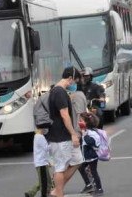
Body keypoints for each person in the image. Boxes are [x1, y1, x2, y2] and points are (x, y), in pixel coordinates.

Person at [46, 67, 84, 197]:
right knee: (60, 167)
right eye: (74, 82)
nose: (73, 85)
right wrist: (74, 134)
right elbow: (64, 115)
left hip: (64, 135)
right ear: (70, 78)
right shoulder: (59, 92)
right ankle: (58, 192)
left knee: (78, 160)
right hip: (60, 136)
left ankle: (57, 189)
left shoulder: (59, 91)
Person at [78, 115, 104, 196]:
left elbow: (92, 142)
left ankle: (99, 188)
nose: (79, 122)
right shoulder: (87, 131)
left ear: (86, 122)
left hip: (92, 156)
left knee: (93, 172)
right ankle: (89, 185)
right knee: (81, 167)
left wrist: (85, 135)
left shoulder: (91, 132)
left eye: (81, 120)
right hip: (87, 156)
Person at [24, 128, 53, 197]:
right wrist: (53, 144)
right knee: (44, 182)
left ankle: (31, 193)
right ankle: (44, 194)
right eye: (44, 128)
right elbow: (46, 148)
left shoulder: (38, 136)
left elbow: (43, 150)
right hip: (41, 163)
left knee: (46, 180)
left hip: (42, 162)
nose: (46, 130)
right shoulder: (39, 137)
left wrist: (48, 160)